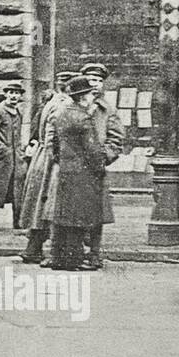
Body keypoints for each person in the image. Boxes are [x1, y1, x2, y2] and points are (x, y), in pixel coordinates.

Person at [48, 77, 108, 271]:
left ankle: (58, 257)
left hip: (66, 170)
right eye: (90, 94)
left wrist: (62, 161)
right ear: (82, 97)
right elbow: (93, 150)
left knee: (63, 216)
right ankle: (75, 259)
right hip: (83, 173)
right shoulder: (83, 118)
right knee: (79, 217)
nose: (92, 98)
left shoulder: (61, 114)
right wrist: (100, 169)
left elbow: (55, 145)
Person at [16, 72, 76, 265]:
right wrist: (59, 160)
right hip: (52, 159)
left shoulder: (51, 101)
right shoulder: (64, 104)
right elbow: (54, 136)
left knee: (39, 205)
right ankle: (56, 252)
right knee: (52, 205)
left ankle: (33, 248)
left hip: (42, 158)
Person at [78, 63, 122, 270]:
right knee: (72, 211)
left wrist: (104, 157)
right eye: (90, 80)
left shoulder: (108, 109)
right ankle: (75, 252)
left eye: (98, 80)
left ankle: (94, 254)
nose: (94, 84)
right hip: (73, 167)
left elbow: (116, 138)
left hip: (95, 169)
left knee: (96, 214)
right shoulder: (73, 105)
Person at [0, 81, 26, 229]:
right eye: (11, 93)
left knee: (18, 190)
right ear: (5, 94)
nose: (14, 96)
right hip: (1, 160)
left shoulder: (18, 112)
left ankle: (18, 223)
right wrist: (2, 150)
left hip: (16, 160)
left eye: (17, 93)